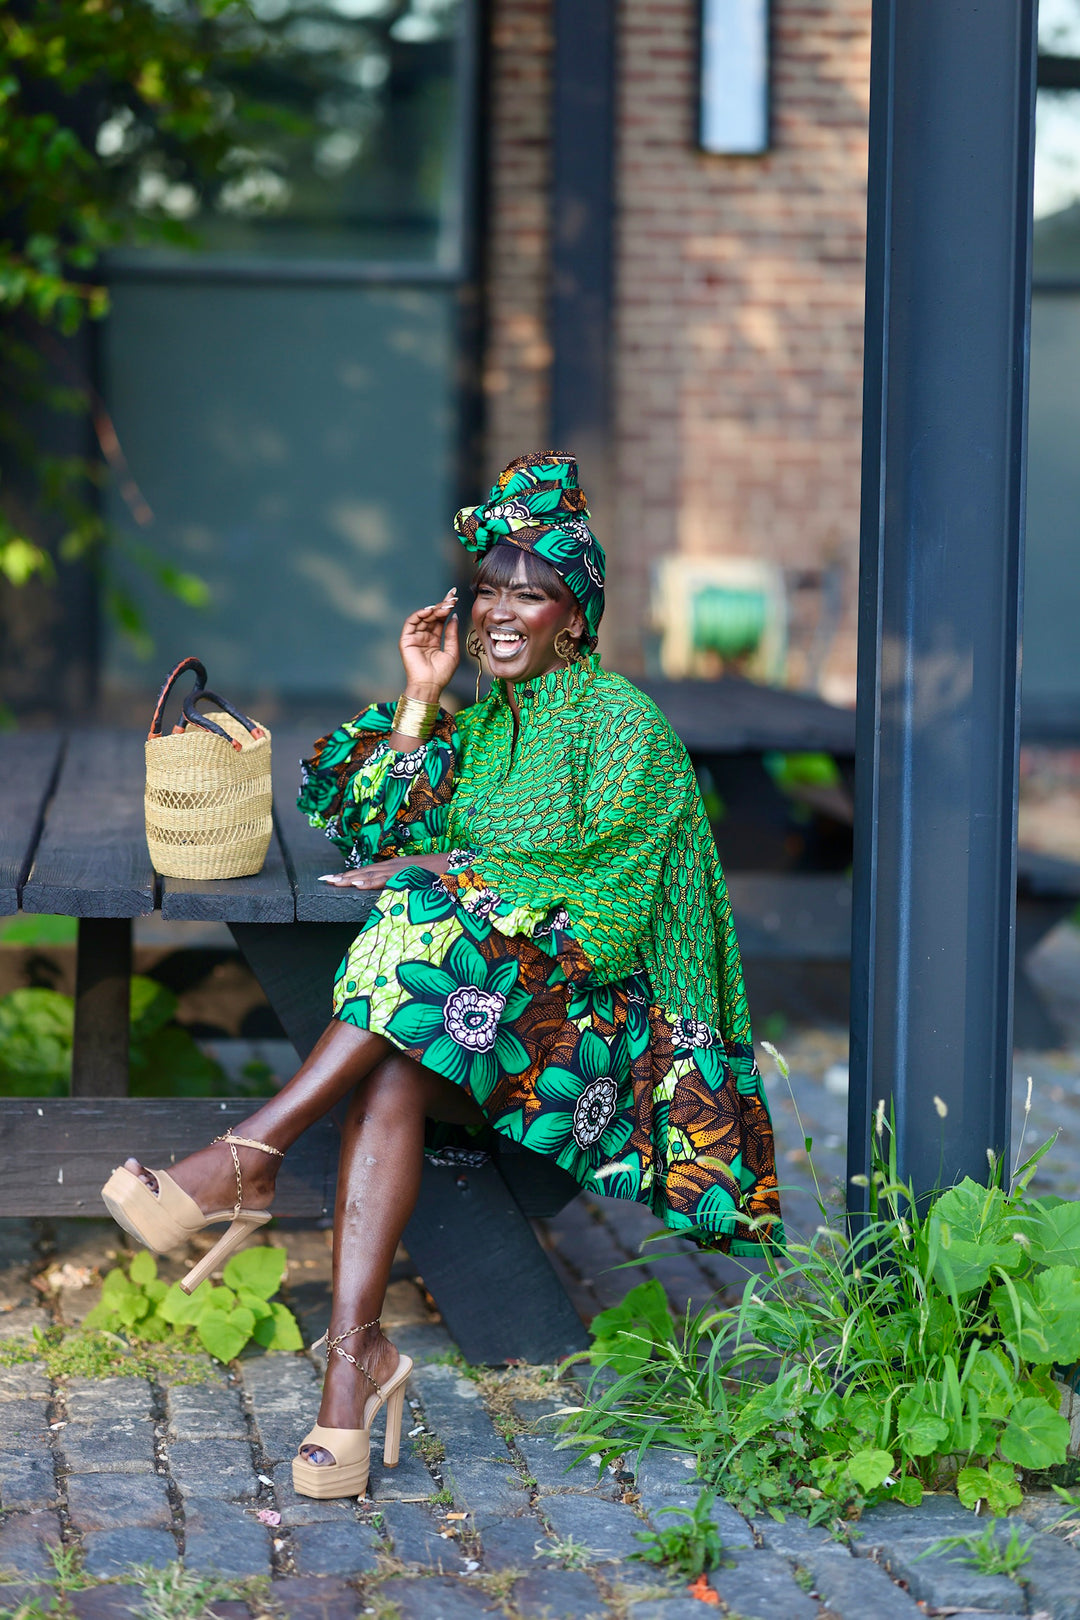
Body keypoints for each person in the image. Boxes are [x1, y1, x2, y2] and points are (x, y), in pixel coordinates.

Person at [101, 452, 783, 1501]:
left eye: (534, 593)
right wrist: (420, 699)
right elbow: (367, 822)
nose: (503, 613)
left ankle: (248, 1156)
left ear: (575, 616)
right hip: (484, 1013)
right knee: (393, 1058)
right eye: (490, 589)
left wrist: (454, 871)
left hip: (609, 1043)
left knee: (419, 916)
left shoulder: (623, 728)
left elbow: (600, 924)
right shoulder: (487, 725)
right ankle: (350, 1375)